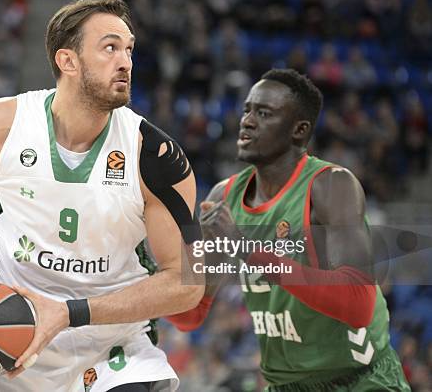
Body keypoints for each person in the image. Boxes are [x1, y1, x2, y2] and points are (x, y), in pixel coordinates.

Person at [0, 0, 203, 392]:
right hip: (10, 337)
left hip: (112, 351)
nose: (125, 61)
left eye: (128, 49)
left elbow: (188, 283)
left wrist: (69, 313)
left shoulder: (155, 155)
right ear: (67, 61)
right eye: (110, 48)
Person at [167, 69, 410, 391]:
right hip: (284, 385)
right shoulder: (224, 198)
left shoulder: (331, 186)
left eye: (264, 113)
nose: (247, 121)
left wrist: (249, 251)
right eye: (247, 110)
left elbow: (358, 305)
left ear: (299, 130)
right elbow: (191, 316)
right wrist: (163, 268)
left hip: (359, 381)